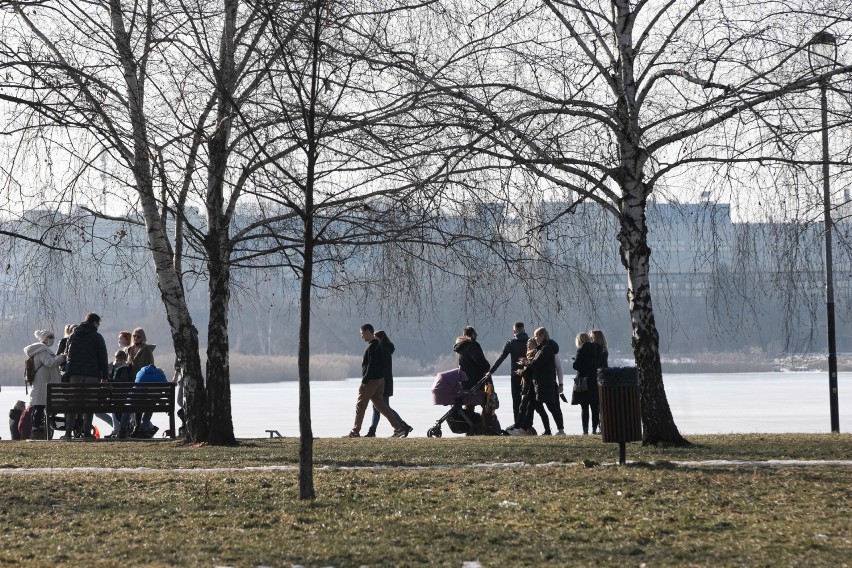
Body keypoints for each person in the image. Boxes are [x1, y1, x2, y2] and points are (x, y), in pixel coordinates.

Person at [485, 322, 552, 433]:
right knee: (530, 403)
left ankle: (518, 425)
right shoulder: (532, 341)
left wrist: (491, 371)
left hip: (516, 375)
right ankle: (527, 426)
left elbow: (501, 358)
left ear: (514, 331)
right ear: (524, 330)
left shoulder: (511, 343)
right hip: (529, 376)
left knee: (517, 402)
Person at [346, 323, 408, 438]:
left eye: (362, 333)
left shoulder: (372, 347)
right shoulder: (381, 347)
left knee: (360, 405)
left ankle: (355, 431)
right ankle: (399, 429)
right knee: (381, 406)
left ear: (369, 332)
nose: (362, 336)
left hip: (371, 381)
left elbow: (371, 365)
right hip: (380, 380)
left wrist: (364, 381)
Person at [508, 327, 564, 436]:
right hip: (539, 383)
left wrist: (525, 362)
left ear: (542, 336)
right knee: (529, 406)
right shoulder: (542, 348)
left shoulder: (545, 349)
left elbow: (535, 364)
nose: (535, 338)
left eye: (536, 336)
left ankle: (559, 430)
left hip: (545, 383)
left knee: (551, 407)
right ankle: (521, 428)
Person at [64, 313, 109, 439]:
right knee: (89, 403)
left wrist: (68, 374)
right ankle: (87, 432)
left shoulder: (73, 335)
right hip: (92, 375)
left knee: (74, 403)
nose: (98, 326)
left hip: (75, 375)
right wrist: (104, 376)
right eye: (98, 323)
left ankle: (68, 432)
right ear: (94, 322)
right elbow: (102, 358)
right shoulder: (97, 337)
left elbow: (68, 356)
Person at [365, 330, 413, 437]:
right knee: (377, 407)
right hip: (386, 382)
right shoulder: (386, 350)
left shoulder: (382, 351)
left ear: (379, 339)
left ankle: (402, 425)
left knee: (384, 407)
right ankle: (372, 431)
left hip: (382, 382)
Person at [24, 329, 66, 439]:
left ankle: (40, 429)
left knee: (40, 406)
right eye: (50, 337)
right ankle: (37, 430)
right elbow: (50, 362)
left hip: (42, 383)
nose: (52, 339)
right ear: (44, 339)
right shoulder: (42, 350)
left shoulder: (41, 350)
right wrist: (62, 357)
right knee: (39, 407)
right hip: (42, 384)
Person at [572, 329, 608, 434]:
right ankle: (594, 430)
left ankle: (585, 431)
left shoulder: (582, 348)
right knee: (594, 407)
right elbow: (603, 366)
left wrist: (575, 361)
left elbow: (576, 366)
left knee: (584, 408)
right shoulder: (600, 349)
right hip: (596, 381)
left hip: (584, 381)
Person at [452, 326, 490, 390]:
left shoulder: (460, 348)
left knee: (470, 400)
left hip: (464, 382)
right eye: (475, 333)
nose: (477, 335)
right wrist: (487, 367)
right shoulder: (472, 346)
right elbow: (480, 361)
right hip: (476, 381)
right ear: (472, 335)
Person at [106, 350, 133, 437]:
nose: (119, 362)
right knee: (117, 413)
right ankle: (122, 428)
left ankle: (124, 428)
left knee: (119, 412)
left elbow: (122, 381)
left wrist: (110, 381)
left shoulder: (125, 369)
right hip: (115, 393)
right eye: (117, 360)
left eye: (121, 360)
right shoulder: (115, 367)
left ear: (125, 360)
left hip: (121, 393)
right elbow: (112, 376)